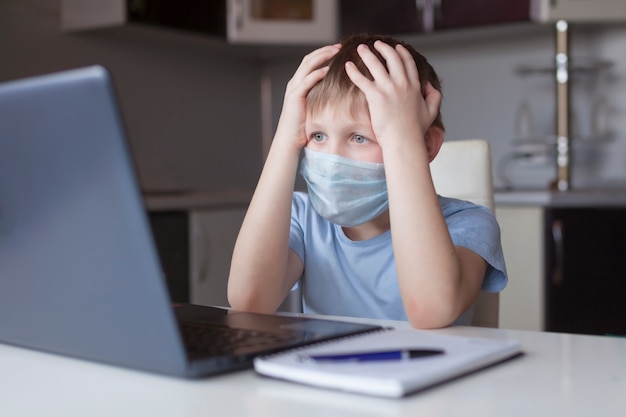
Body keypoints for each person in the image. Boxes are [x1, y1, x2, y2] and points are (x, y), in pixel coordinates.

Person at [227, 33, 507, 329]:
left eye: (360, 137)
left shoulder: (470, 224)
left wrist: (402, 139)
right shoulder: (302, 217)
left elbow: (430, 311)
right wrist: (285, 138)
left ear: (424, 145)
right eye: (317, 136)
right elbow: (249, 301)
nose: (333, 160)